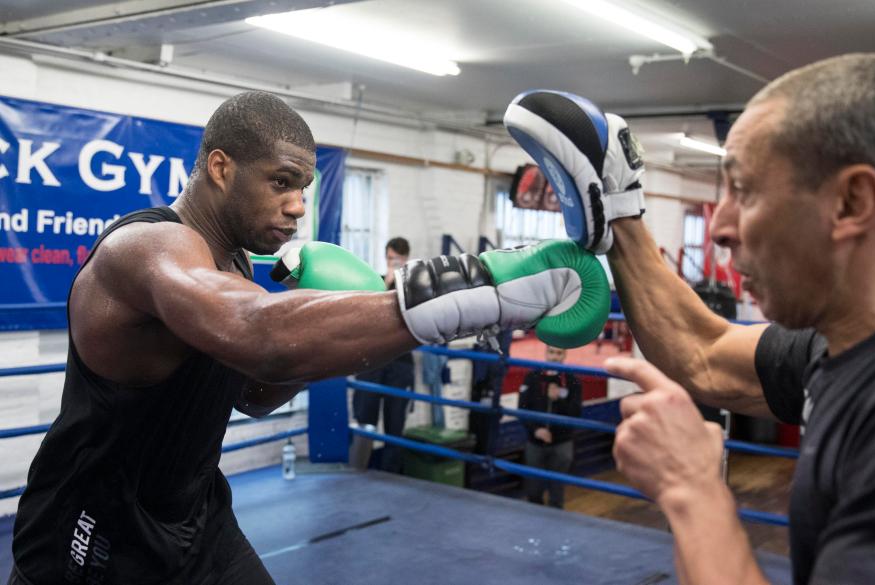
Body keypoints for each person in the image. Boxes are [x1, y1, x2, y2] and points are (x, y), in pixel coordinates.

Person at [8, 91, 609, 585]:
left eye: (304, 187)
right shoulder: (146, 248)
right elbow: (257, 332)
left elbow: (254, 390)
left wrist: (348, 332)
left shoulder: (235, 264)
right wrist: (473, 292)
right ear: (221, 168)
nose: (298, 206)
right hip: (94, 532)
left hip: (197, 517)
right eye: (281, 183)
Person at [506, 54, 875, 584]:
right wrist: (620, 214)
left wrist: (691, 489)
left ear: (851, 202)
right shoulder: (849, 339)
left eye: (743, 191)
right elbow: (705, 355)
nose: (719, 227)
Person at [353, 237, 414, 473]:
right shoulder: (375, 282)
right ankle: (357, 471)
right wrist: (387, 283)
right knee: (365, 419)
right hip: (373, 361)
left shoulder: (414, 285)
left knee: (395, 424)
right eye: (390, 259)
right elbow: (365, 316)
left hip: (400, 363)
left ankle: (391, 476)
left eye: (397, 260)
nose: (393, 263)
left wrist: (400, 280)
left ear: (406, 259)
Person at [518, 345, 582, 508]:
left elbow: (576, 413)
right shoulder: (532, 377)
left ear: (564, 355)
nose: (554, 357)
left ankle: (555, 527)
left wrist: (559, 399)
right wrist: (536, 430)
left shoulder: (572, 380)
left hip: (562, 442)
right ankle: (533, 524)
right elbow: (522, 409)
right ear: (546, 353)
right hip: (535, 442)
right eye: (552, 352)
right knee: (533, 489)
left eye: (559, 353)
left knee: (557, 491)